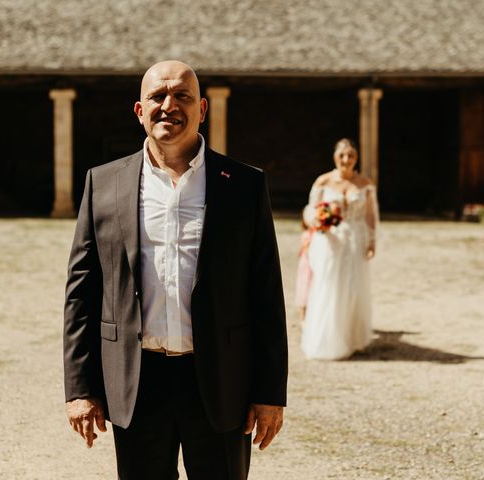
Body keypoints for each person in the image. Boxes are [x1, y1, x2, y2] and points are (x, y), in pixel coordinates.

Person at [62, 61, 288, 480]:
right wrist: (80, 388)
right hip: (136, 380)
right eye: (158, 97)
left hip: (221, 380)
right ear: (139, 110)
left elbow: (266, 295)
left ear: (202, 109)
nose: (169, 105)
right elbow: (82, 293)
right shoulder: (104, 183)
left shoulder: (243, 185)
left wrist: (270, 393)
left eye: (182, 96)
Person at [301, 138, 379, 360]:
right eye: (342, 155)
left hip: (355, 240)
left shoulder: (365, 183)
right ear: (335, 157)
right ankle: (327, 340)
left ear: (356, 158)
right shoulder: (323, 181)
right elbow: (309, 211)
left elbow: (371, 215)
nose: (346, 160)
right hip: (330, 242)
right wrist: (318, 220)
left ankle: (352, 337)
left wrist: (372, 241)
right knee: (329, 287)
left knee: (353, 288)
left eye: (351, 155)